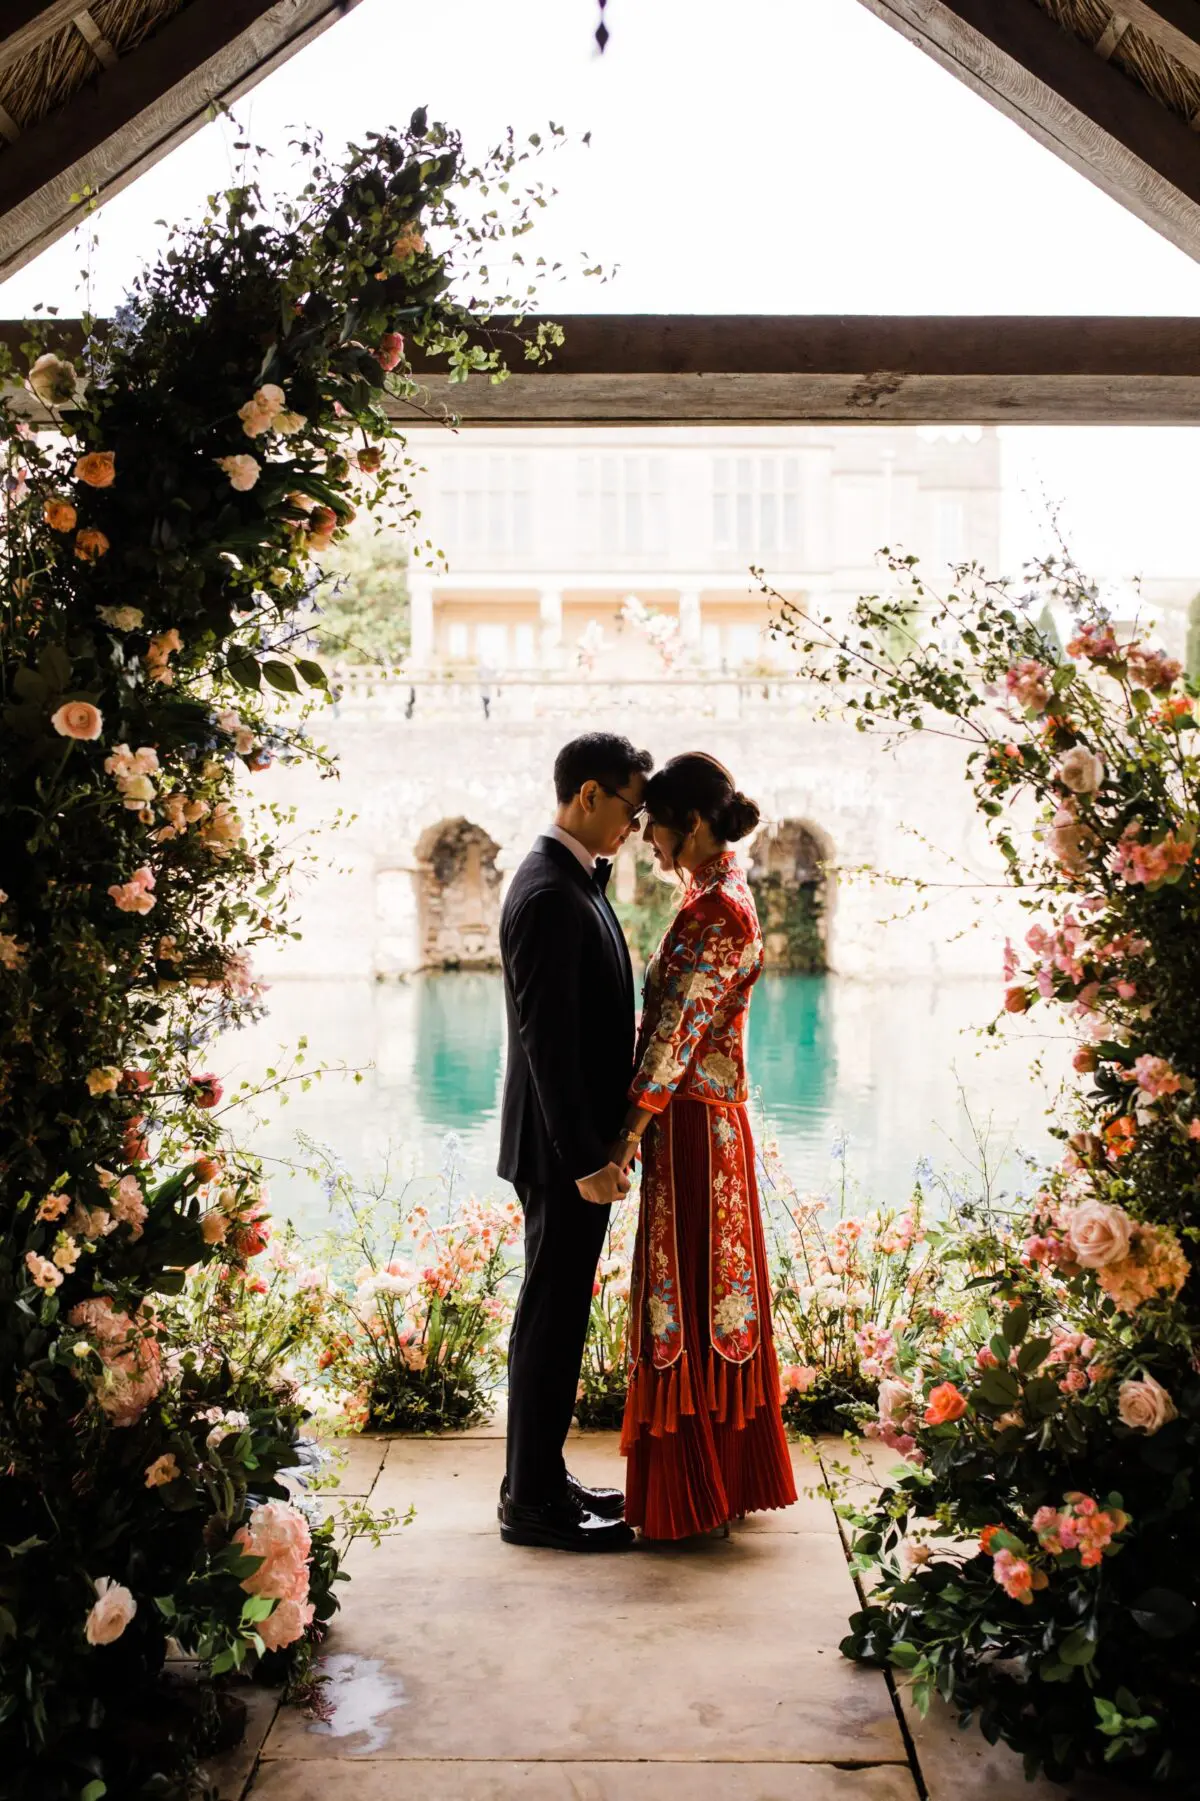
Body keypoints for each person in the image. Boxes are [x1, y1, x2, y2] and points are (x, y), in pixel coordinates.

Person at [611, 752, 797, 1540]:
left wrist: (627, 1133)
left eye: (652, 824)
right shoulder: (716, 895)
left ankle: (697, 1487)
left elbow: (676, 1036)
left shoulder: (716, 911)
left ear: (689, 824)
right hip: (701, 1120)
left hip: (691, 1126)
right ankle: (714, 1475)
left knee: (686, 1294)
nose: (644, 840)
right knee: (702, 1290)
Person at [497, 732, 653, 1551]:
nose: (635, 824)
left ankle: (537, 1475)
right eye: (630, 806)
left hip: (572, 1147)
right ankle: (531, 1505)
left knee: (554, 1313)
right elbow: (547, 1041)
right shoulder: (550, 890)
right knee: (550, 1318)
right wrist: (588, 1158)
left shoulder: (570, 880)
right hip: (564, 1154)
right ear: (587, 795)